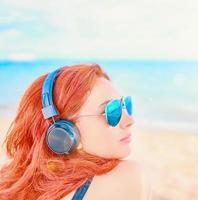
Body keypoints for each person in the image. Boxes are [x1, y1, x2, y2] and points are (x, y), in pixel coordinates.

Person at [0, 64, 151, 200]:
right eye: (112, 110)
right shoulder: (129, 177)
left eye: (125, 106)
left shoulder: (11, 183)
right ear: (64, 132)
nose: (130, 120)